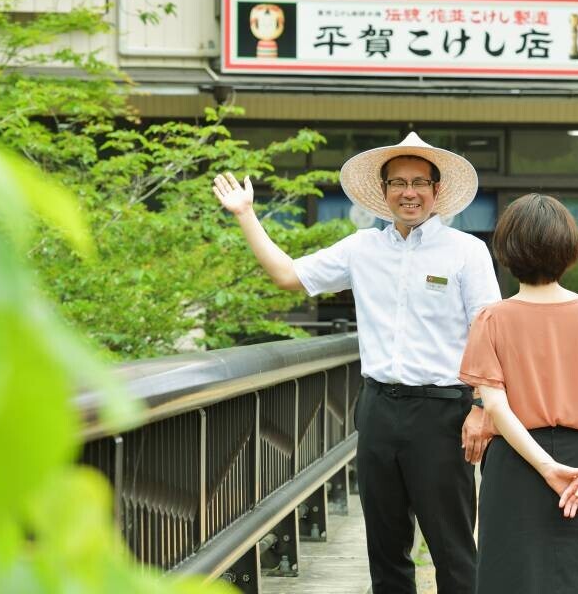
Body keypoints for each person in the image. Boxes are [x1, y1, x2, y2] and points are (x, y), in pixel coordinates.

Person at [213, 132, 501, 594]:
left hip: (443, 412)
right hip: (378, 408)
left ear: (437, 191)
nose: (409, 192)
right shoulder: (361, 248)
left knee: (452, 547)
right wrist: (246, 215)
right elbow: (288, 276)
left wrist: (482, 407)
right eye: (398, 183)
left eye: (420, 182)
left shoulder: (467, 252)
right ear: (383, 192)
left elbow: (491, 331)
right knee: (384, 547)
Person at [459, 193, 578, 594]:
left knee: (512, 577)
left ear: (507, 251)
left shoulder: (492, 318)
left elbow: (496, 406)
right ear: (568, 250)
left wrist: (544, 466)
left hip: (516, 463)